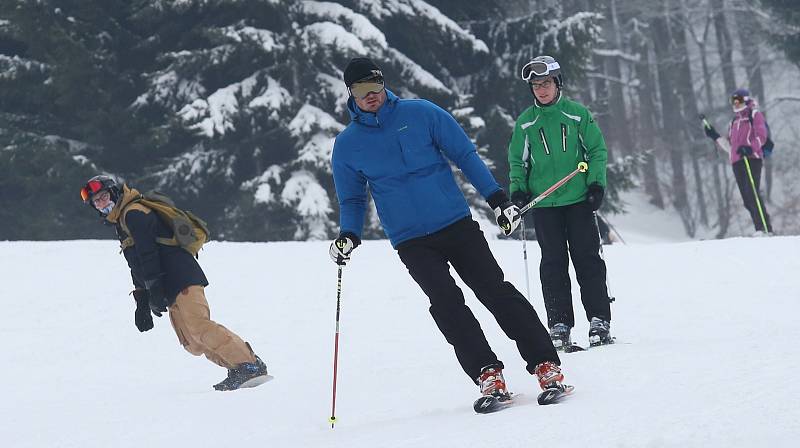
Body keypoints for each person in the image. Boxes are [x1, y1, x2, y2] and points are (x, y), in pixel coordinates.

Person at [328, 57, 568, 403]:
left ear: (384, 84)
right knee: (446, 304)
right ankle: (487, 373)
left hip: (455, 224)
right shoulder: (348, 145)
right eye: (362, 90)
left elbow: (465, 155)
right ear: (350, 94)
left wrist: (497, 198)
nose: (371, 96)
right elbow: (351, 198)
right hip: (410, 240)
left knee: (494, 291)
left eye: (375, 87)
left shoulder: (422, 113)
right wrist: (348, 234)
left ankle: (545, 364)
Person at [79, 175, 269, 391]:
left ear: (114, 193)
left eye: (103, 197)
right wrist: (142, 300)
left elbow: (148, 254)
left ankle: (249, 364)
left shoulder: (134, 213)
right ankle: (237, 368)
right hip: (168, 284)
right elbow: (136, 263)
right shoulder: (122, 222)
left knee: (199, 326)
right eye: (96, 202)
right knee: (191, 342)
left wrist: (154, 288)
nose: (102, 203)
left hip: (181, 277)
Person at [506, 55, 613, 349]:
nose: (541, 89)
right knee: (553, 264)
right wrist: (519, 191)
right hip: (544, 204)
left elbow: (597, 151)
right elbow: (518, 161)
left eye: (546, 83)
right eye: (536, 85)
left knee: (587, 259)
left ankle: (599, 320)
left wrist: (596, 184)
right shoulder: (526, 122)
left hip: (578, 199)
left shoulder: (577, 114)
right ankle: (559, 324)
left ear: (558, 83)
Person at [703, 88, 773, 235]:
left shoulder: (754, 115)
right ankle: (759, 229)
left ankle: (765, 229)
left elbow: (762, 136)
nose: (735, 104)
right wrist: (714, 135)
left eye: (738, 101)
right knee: (747, 199)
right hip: (737, 162)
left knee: (752, 192)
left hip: (751, 159)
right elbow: (730, 147)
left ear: (746, 100)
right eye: (732, 101)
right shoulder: (734, 122)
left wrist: (749, 148)